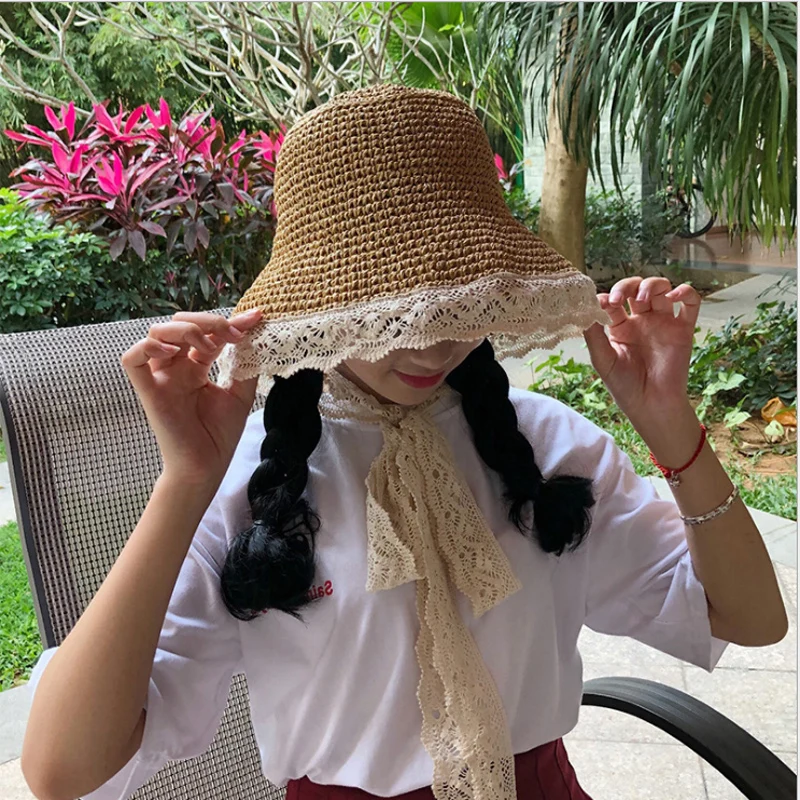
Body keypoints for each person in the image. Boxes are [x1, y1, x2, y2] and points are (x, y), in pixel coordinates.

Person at [21, 85, 787, 800]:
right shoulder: (246, 483)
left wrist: (670, 425)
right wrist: (185, 480)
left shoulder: (550, 443)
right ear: (323, 299)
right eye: (387, 304)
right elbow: (62, 769)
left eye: (455, 294)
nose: (433, 342)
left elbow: (751, 620)